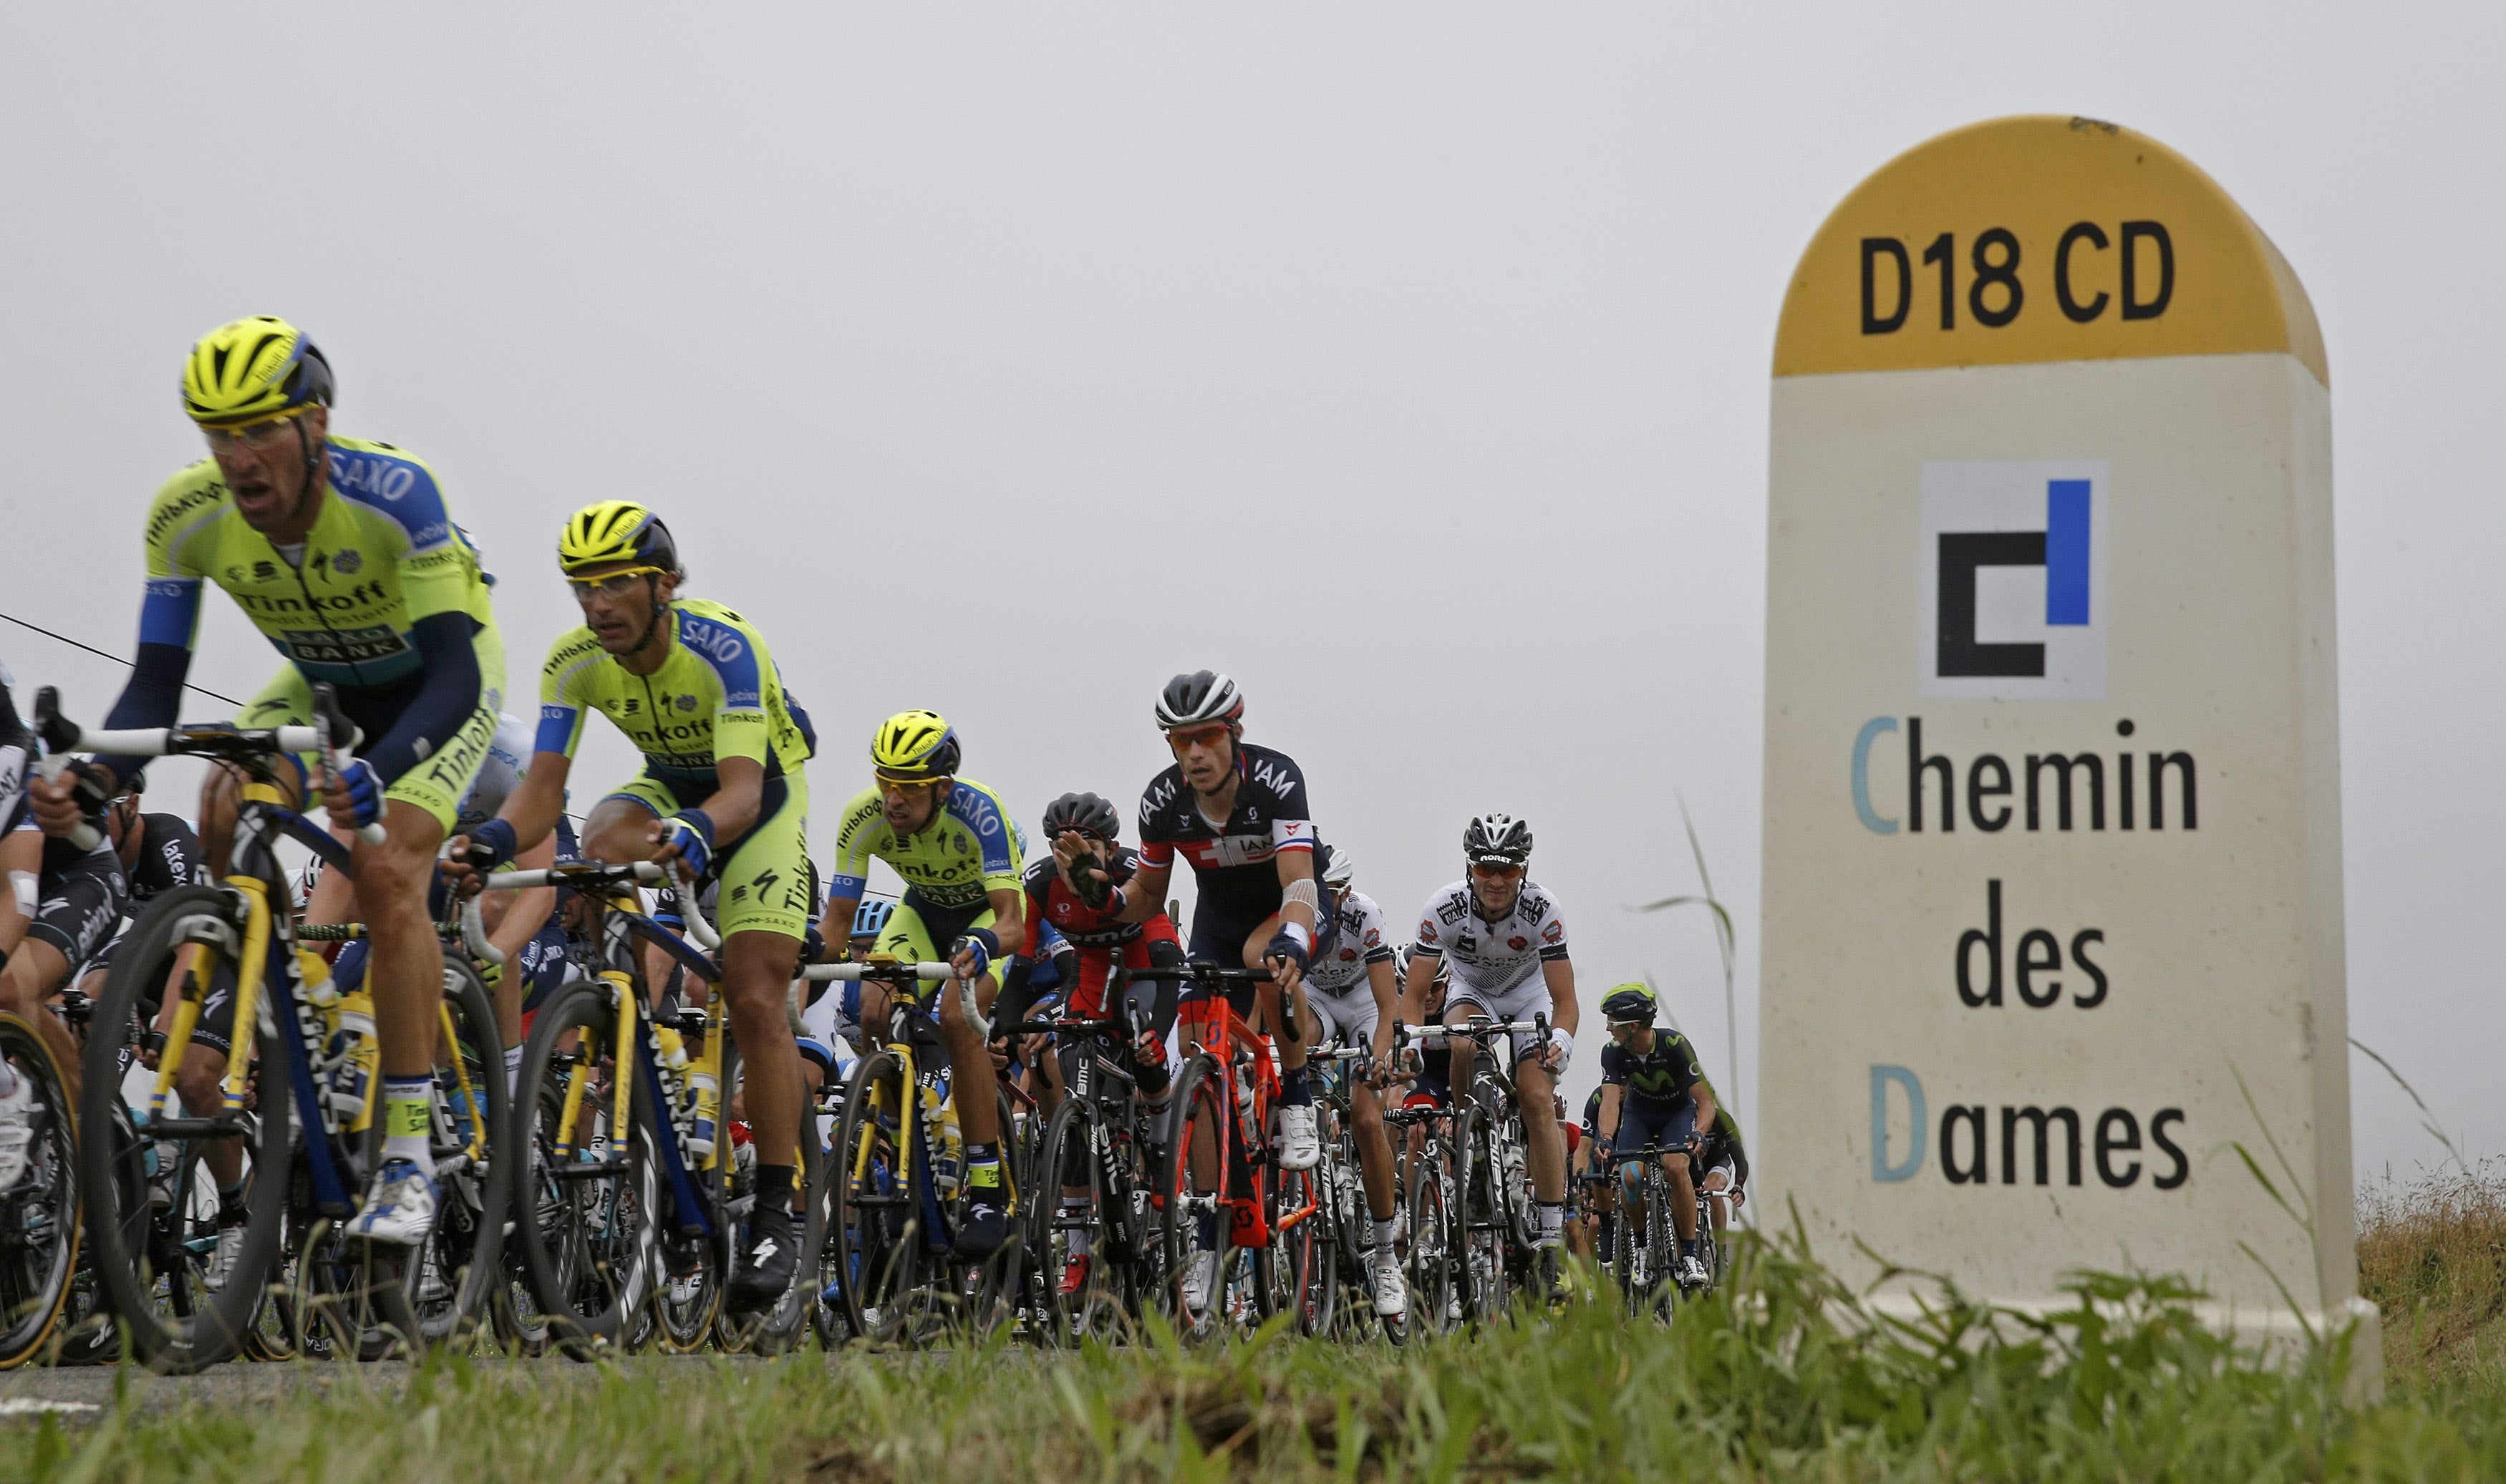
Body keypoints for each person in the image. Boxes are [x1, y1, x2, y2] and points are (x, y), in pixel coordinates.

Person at [30, 319, 505, 1246]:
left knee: (390, 867)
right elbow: (155, 684)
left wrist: (381, 772)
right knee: (225, 791)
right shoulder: (186, 516)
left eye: (258, 430)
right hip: (321, 682)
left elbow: (455, 674)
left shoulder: (398, 494)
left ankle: (406, 1151)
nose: (237, 458)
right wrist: (93, 774)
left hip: (432, 693)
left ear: (315, 425)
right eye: (217, 434)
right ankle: (282, 986)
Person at [448, 500, 815, 1313]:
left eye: (615, 584)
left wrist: (697, 826)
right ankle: (619, 1005)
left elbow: (744, 791)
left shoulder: (723, 645)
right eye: (582, 587)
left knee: (754, 990)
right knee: (600, 838)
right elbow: (541, 794)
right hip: (669, 786)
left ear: (664, 584)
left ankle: (778, 1207)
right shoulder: (573, 660)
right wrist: (491, 847)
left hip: (758, 801)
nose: (597, 605)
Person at [814, 710, 1026, 1261]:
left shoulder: (980, 811)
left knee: (958, 1018)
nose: (892, 799)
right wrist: (804, 954)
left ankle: (985, 1186)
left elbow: (1012, 920)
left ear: (943, 787)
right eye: (885, 781)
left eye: (907, 786)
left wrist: (984, 946)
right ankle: (894, 1129)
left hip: (983, 918)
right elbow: (836, 926)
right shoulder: (862, 817)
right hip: (921, 915)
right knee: (871, 1008)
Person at [1407, 812, 1580, 1298]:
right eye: (1486, 869)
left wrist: (1561, 1042)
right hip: (1472, 990)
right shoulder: (1442, 909)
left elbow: (1565, 1002)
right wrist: (1411, 1044)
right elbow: (1413, 996)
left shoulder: (1545, 910)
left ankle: (1549, 1241)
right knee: (1461, 1039)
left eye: (1508, 870)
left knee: (1536, 1098)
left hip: (1530, 995)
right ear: (1470, 868)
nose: (1498, 881)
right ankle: (1471, 1138)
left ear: (1524, 870)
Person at [1299, 845, 1407, 1320]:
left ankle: (1385, 1255)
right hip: (1318, 996)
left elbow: (1389, 1006)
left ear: (1344, 892)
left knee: (1366, 1118)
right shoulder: (1297, 911)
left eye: (1334, 895)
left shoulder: (1365, 916)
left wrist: (1377, 1060)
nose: (1328, 902)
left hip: (1364, 1001)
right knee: (1295, 1045)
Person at [1592, 981, 1716, 1290]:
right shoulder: (1613, 1053)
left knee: (1676, 1167)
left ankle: (1689, 1255)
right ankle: (1642, 1249)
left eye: (1612, 1023)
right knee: (1631, 1176)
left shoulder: (1675, 1044)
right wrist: (1606, 1137)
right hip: (1639, 1114)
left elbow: (1706, 1102)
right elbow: (1610, 1103)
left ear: (1633, 1026)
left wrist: (1699, 1133)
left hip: (1677, 1113)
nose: (1608, 1029)